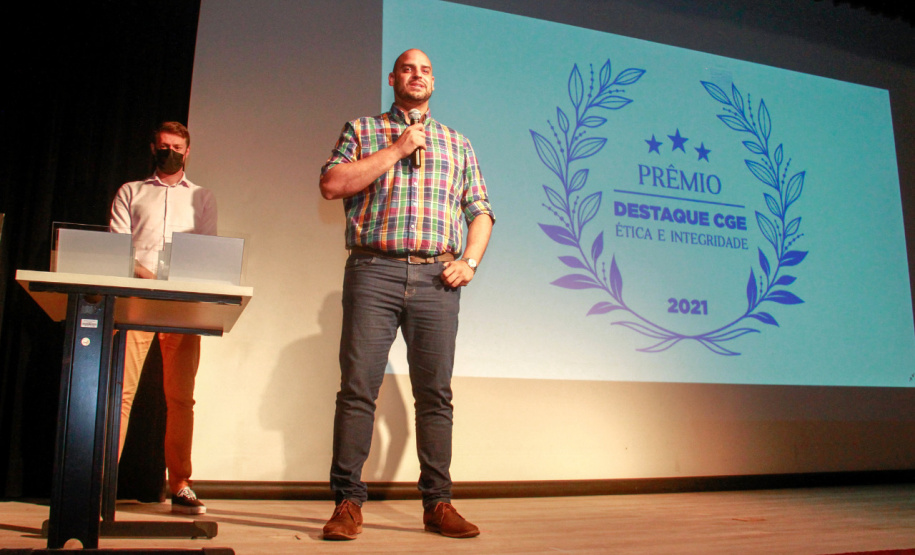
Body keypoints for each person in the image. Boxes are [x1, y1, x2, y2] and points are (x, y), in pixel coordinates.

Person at [319, 48, 495, 541]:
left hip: (437, 279)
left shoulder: (458, 144)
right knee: (358, 390)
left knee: (435, 396)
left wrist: (470, 261)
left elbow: (481, 210)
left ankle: (438, 504)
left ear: (433, 82)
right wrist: (397, 149)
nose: (416, 76)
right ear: (392, 78)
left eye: (425, 70)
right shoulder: (363, 130)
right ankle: (347, 503)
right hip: (374, 271)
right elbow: (332, 184)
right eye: (407, 69)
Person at [109, 121, 216, 514]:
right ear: (154, 147)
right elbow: (119, 247)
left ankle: (181, 483)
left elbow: (205, 251)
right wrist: (151, 279)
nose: (170, 151)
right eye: (164, 145)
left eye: (177, 146)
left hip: (181, 306)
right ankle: (101, 480)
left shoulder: (202, 197)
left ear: (187, 152)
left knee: (181, 399)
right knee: (120, 394)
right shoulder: (131, 192)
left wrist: (177, 286)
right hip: (137, 299)